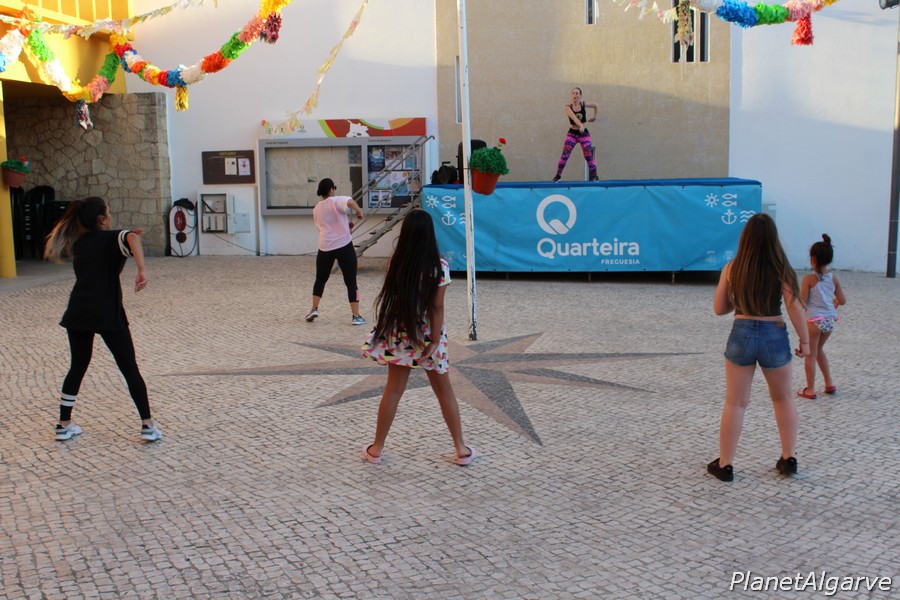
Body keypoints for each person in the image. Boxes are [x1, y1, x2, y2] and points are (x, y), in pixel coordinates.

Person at [360, 209, 474, 466]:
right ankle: (461, 449)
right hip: (429, 335)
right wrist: (435, 341)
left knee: (393, 390)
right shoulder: (440, 266)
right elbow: (436, 307)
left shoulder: (396, 261)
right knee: (444, 391)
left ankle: (376, 449)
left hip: (401, 332)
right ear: (430, 234)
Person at [43, 196, 161, 442]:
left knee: (77, 366)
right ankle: (148, 425)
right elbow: (132, 238)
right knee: (129, 368)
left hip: (78, 311)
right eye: (108, 212)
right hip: (107, 312)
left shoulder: (80, 243)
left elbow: (124, 240)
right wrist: (141, 270)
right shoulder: (113, 238)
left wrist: (126, 236)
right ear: (102, 219)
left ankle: (64, 424)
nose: (110, 215)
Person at [708, 213, 809, 481]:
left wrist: (740, 298)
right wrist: (805, 341)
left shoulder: (732, 268)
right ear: (773, 239)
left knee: (735, 402)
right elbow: (794, 306)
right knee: (783, 398)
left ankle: (725, 465)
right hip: (773, 334)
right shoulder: (781, 268)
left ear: (746, 239)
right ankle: (788, 459)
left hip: (741, 332)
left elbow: (719, 308)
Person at [305, 178, 366, 325]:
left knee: (320, 279)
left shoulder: (316, 209)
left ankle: (314, 309)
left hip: (325, 247)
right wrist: (358, 211)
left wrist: (344, 225)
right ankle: (356, 316)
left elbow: (322, 227)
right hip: (344, 245)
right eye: (334, 188)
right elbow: (350, 202)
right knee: (351, 281)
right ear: (331, 189)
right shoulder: (336, 200)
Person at [798, 234, 847, 399]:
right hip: (829, 321)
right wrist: (834, 303)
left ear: (812, 259)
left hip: (813, 320)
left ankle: (810, 389)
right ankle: (829, 383)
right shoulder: (833, 278)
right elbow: (842, 300)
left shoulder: (809, 279)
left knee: (810, 354)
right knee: (819, 350)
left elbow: (803, 302)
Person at [553, 86, 599, 182]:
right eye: (573, 93)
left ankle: (594, 176)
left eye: (577, 93)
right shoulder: (567, 107)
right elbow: (574, 118)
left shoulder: (583, 104)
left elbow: (596, 105)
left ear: (580, 96)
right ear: (571, 95)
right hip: (572, 134)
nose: (575, 95)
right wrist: (581, 125)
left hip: (584, 134)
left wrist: (595, 117)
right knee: (565, 155)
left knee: (588, 155)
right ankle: (558, 175)